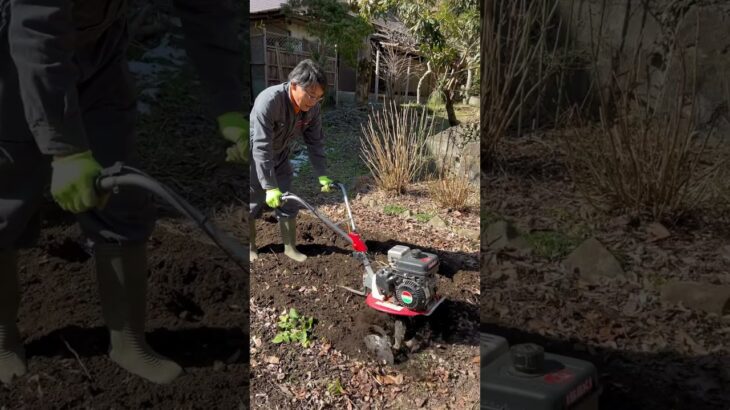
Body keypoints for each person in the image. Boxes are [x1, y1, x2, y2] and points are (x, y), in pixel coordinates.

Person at [0, 0, 248, 385]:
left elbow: (208, 10)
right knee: (7, 193)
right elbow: (36, 30)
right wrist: (66, 151)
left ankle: (127, 341)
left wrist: (229, 106)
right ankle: (1, 340)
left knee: (117, 186)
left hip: (97, 46)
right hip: (16, 46)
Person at [249, 59, 334, 263]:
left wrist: (322, 173)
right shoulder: (269, 101)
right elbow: (261, 146)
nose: (313, 102)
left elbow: (315, 142)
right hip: (253, 155)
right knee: (252, 201)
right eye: (311, 95)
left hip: (280, 154)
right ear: (294, 85)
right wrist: (269, 186)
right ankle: (250, 246)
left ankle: (290, 248)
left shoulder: (312, 109)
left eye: (318, 98)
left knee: (287, 198)